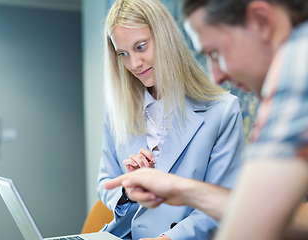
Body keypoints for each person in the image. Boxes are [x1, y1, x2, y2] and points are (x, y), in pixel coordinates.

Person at [105, 0, 308, 239]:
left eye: (215, 52)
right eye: (123, 54)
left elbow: (253, 222)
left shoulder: (299, 61)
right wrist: (182, 189)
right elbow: (280, 216)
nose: (217, 76)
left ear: (261, 21)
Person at [97, 0, 245, 239]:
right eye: (123, 54)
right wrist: (128, 191)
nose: (133, 64)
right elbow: (106, 181)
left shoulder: (223, 111)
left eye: (141, 47)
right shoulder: (117, 110)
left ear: (165, 37)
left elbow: (224, 203)